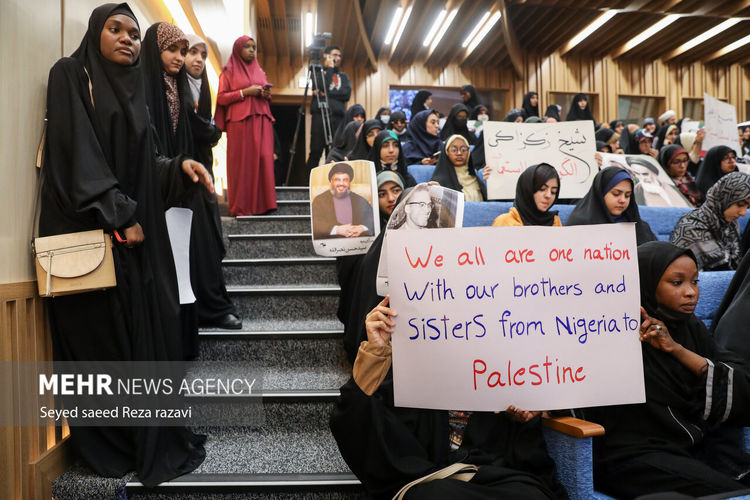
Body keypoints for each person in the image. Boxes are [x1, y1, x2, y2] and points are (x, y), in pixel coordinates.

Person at [41, 2, 211, 486]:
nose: (126, 39)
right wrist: (121, 213)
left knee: (138, 340)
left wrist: (177, 168)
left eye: (134, 34)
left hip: (132, 240)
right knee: (104, 341)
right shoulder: (70, 75)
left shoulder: (136, 90)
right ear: (96, 33)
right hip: (89, 235)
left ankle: (141, 439)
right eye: (115, 29)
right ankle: (112, 445)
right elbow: (77, 153)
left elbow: (147, 161)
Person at [330, 294, 567, 499]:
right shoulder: (404, 375)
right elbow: (353, 424)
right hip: (430, 482)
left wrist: (524, 418)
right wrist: (375, 353)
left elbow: (528, 461)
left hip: (496, 480)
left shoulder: (507, 370)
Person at [584, 241, 750, 498]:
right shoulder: (611, 332)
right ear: (646, 283)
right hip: (634, 457)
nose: (691, 292)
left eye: (695, 282)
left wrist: (676, 350)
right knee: (735, 494)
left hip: (694, 445)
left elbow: (739, 382)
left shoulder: (690, 327)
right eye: (677, 283)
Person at [142, 23, 241, 337]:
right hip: (158, 180)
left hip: (186, 177)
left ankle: (210, 306)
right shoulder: (144, 86)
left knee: (202, 242)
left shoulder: (180, 86)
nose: (184, 57)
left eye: (184, 51)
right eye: (176, 50)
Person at [215, 35, 276, 216]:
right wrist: (245, 92)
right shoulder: (228, 72)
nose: (251, 50)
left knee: (264, 158)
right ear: (237, 49)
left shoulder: (260, 72)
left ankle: (264, 205)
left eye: (253, 47)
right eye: (247, 47)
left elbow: (267, 96)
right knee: (242, 162)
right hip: (239, 121)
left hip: (262, 119)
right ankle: (241, 207)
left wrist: (266, 94)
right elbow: (221, 98)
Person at [670, 171, 750, 271]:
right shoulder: (691, 227)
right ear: (723, 197)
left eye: (748, 207)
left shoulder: (730, 226)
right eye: (740, 204)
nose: (743, 213)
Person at [566, 167, 657, 245]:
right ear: (601, 193)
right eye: (616, 194)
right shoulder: (579, 224)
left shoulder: (640, 228)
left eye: (627, 195)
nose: (622, 200)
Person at [305, 44, 352, 169]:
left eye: (340, 56)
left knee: (333, 151)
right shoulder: (318, 72)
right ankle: (308, 180)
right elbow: (321, 86)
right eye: (335, 55)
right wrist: (329, 69)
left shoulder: (343, 76)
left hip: (338, 119)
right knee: (315, 151)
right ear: (326, 56)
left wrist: (326, 93)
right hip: (320, 117)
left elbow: (346, 94)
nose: (338, 58)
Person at [184, 34, 222, 173]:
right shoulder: (175, 87)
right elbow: (194, 124)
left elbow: (207, 122)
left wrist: (212, 132)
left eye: (204, 55)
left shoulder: (203, 89)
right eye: (193, 52)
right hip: (182, 159)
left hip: (204, 159)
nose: (199, 59)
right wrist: (213, 132)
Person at [311, 163, 375, 239]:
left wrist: (362, 228)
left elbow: (372, 218)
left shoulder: (359, 199)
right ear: (331, 181)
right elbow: (315, 223)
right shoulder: (319, 200)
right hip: (332, 243)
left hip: (356, 242)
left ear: (349, 182)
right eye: (337, 180)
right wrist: (337, 230)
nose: (341, 183)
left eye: (345, 180)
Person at [493, 164, 562, 226]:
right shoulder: (504, 222)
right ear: (527, 190)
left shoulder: (555, 222)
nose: (548, 195)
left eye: (553, 192)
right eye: (542, 189)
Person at [431, 134, 486, 201]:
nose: (459, 153)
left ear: (469, 152)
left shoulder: (477, 178)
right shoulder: (439, 182)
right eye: (454, 150)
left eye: (463, 149)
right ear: (447, 152)